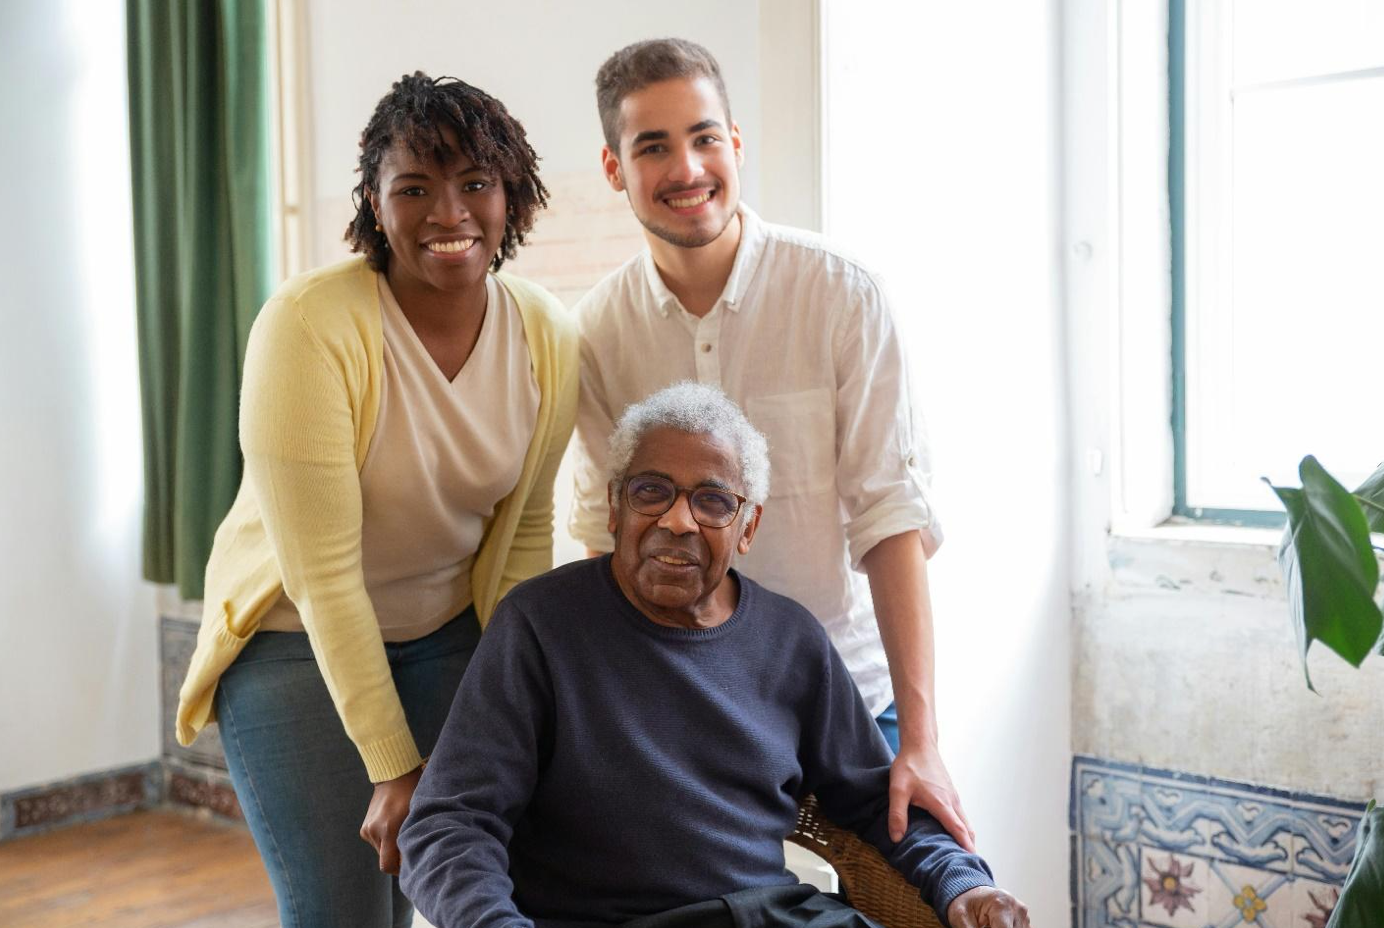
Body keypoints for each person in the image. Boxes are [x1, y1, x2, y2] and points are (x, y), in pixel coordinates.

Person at [173, 72, 577, 928]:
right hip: (292, 642)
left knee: (455, 887)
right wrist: (393, 764)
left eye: (475, 183)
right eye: (415, 188)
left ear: (511, 195)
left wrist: (521, 697)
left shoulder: (546, 333)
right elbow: (322, 576)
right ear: (374, 202)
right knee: (346, 912)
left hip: (449, 634)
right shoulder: (307, 326)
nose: (448, 213)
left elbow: (525, 533)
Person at [400, 383, 1028, 928]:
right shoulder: (539, 625)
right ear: (615, 507)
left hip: (773, 914)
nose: (678, 521)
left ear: (748, 527)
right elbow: (448, 825)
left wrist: (963, 885)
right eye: (652, 491)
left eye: (712, 501)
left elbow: (875, 801)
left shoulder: (792, 640)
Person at [569, 38, 973, 851]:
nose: (687, 168)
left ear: (736, 143)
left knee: (934, 882)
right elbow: (605, 542)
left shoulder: (843, 295)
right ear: (614, 169)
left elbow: (891, 518)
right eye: (653, 147)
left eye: (704, 137)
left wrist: (922, 741)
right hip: (679, 708)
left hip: (851, 700)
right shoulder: (594, 334)